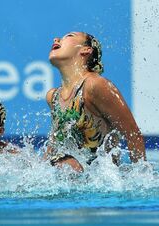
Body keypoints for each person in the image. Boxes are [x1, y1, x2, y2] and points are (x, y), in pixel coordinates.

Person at [46, 31, 146, 171]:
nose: (56, 39)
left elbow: (132, 134)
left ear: (86, 50)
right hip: (76, 179)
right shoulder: (53, 96)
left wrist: (140, 176)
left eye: (69, 36)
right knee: (61, 161)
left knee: (66, 163)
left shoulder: (95, 85)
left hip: (102, 182)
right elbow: (54, 146)